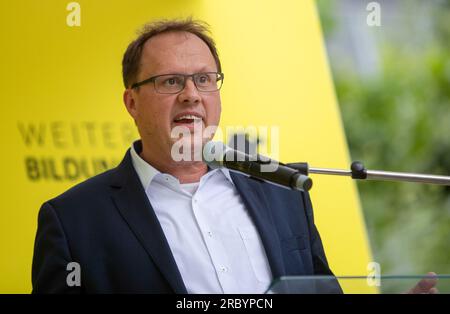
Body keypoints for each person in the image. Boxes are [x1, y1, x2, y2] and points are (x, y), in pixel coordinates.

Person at [31, 18, 435, 294]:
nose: (191, 94)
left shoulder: (282, 191)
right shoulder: (72, 221)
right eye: (170, 81)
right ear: (131, 102)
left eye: (204, 80)